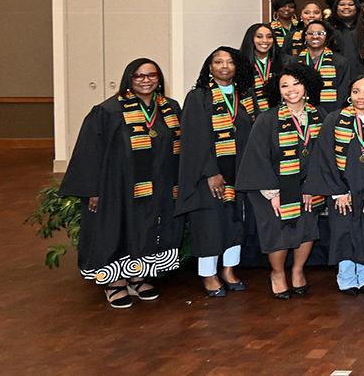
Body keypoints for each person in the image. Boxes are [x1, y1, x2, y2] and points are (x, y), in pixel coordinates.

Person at [61, 58, 184, 308]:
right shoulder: (108, 111)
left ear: (159, 79)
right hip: (117, 186)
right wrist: (93, 191)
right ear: (129, 78)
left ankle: (138, 276)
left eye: (152, 75)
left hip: (158, 184)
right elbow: (90, 152)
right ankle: (114, 282)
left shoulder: (170, 108)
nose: (146, 80)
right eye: (139, 76)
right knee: (117, 229)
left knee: (149, 228)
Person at [236, 62, 324, 300]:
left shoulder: (319, 116)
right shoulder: (268, 119)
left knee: (307, 228)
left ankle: (297, 271)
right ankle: (277, 274)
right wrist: (272, 192)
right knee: (277, 231)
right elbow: (257, 156)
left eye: (296, 83)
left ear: (307, 87)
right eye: (284, 85)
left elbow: (322, 156)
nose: (291, 89)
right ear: (278, 91)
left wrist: (312, 186)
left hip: (307, 185)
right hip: (272, 185)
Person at [305, 76, 364, 296]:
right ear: (350, 94)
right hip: (342, 188)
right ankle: (346, 277)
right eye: (356, 91)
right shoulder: (335, 119)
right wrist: (338, 192)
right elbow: (325, 156)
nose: (361, 96)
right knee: (343, 231)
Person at [177, 47, 259, 297]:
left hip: (239, 169)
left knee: (236, 221)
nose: (224, 66)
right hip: (209, 171)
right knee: (209, 223)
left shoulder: (245, 96)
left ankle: (229, 270)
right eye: (218, 61)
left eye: (230, 62)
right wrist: (210, 171)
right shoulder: (198, 97)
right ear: (209, 67)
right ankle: (209, 274)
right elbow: (194, 138)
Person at [293, 20, 352, 114]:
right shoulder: (294, 61)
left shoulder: (340, 62)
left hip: (331, 112)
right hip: (300, 112)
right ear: (305, 36)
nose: (315, 36)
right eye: (311, 33)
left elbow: (342, 94)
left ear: (327, 36)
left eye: (320, 33)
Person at [241, 23, 285, 110]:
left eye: (269, 37)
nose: (265, 40)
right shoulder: (241, 63)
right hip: (251, 113)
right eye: (259, 37)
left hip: (277, 113)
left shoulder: (282, 61)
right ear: (251, 39)